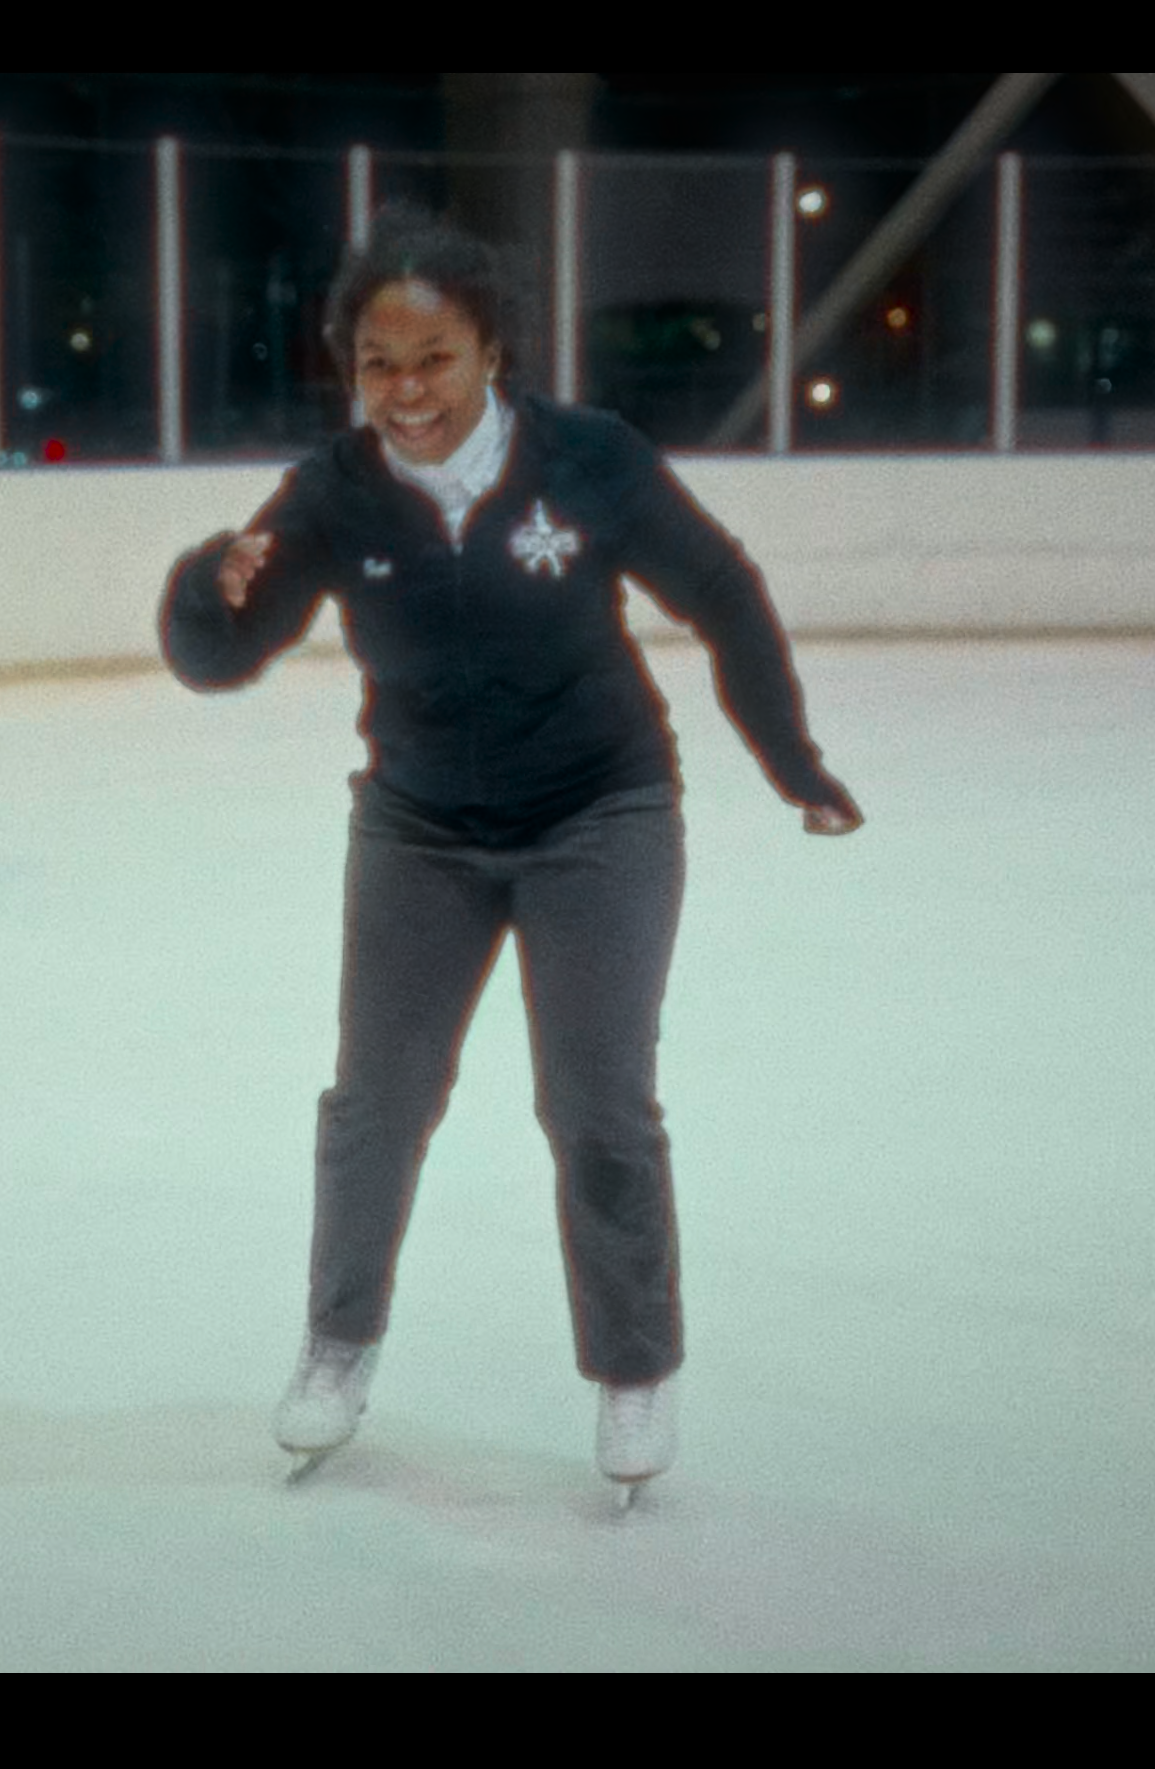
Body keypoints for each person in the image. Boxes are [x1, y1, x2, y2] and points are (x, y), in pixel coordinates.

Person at [157, 205, 862, 1500]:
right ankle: (338, 1344)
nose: (406, 391)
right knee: (375, 1103)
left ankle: (634, 1365)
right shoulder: (335, 492)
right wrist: (209, 587)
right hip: (420, 826)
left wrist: (793, 763)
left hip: (600, 811)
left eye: (435, 358)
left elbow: (721, 594)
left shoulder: (588, 462)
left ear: (492, 352)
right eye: (378, 362)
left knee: (596, 1105)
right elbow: (221, 657)